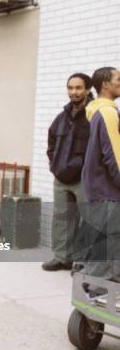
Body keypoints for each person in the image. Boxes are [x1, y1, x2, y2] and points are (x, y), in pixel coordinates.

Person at [43, 73, 93, 271]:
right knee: (62, 219)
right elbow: (51, 142)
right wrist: (54, 165)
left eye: (78, 88)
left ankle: (82, 262)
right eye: (70, 88)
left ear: (88, 89)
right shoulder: (63, 116)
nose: (74, 92)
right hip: (61, 177)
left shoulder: (93, 114)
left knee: (88, 220)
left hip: (84, 179)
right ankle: (62, 258)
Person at [81, 66, 120, 283]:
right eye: (118, 78)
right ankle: (92, 304)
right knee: (105, 250)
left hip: (99, 191)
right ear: (105, 84)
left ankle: (92, 298)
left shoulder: (98, 111)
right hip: (108, 193)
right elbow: (114, 158)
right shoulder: (107, 112)